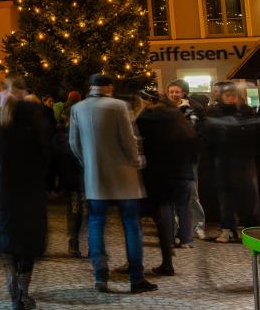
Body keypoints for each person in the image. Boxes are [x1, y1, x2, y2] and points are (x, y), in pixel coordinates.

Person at [69, 73, 157, 294]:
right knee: (131, 225)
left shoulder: (78, 108)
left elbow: (74, 142)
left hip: (95, 176)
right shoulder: (119, 106)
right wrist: (137, 161)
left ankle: (100, 276)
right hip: (124, 175)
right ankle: (136, 278)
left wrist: (87, 162)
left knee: (96, 224)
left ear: (91, 87)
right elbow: (128, 139)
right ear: (109, 87)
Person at [203, 82, 260, 288]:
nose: (230, 98)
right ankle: (228, 229)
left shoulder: (249, 115)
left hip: (247, 172)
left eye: (233, 95)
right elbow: (208, 142)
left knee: (255, 222)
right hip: (225, 170)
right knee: (228, 205)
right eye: (227, 95)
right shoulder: (215, 117)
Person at [0, 79, 51, 310]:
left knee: (9, 248)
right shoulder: (36, 134)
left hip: (2, 196)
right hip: (31, 197)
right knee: (26, 247)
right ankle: (23, 292)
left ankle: (15, 295)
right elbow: (47, 162)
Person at [136, 89, 197, 276]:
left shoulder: (148, 119)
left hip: (159, 175)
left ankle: (142, 261)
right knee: (179, 210)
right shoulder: (179, 119)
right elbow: (194, 147)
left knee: (150, 216)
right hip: (183, 173)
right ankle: (177, 249)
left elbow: (141, 146)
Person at [166, 79, 205, 244]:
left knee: (193, 192)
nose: (174, 94)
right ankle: (176, 229)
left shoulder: (192, 109)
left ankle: (198, 225)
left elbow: (197, 131)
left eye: (177, 91)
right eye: (171, 92)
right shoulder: (164, 109)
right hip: (169, 157)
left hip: (188, 156)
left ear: (183, 93)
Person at [53, 100, 86, 256]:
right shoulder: (65, 136)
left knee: (77, 209)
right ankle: (76, 242)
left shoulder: (61, 136)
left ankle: (75, 242)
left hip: (74, 179)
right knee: (78, 210)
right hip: (78, 179)